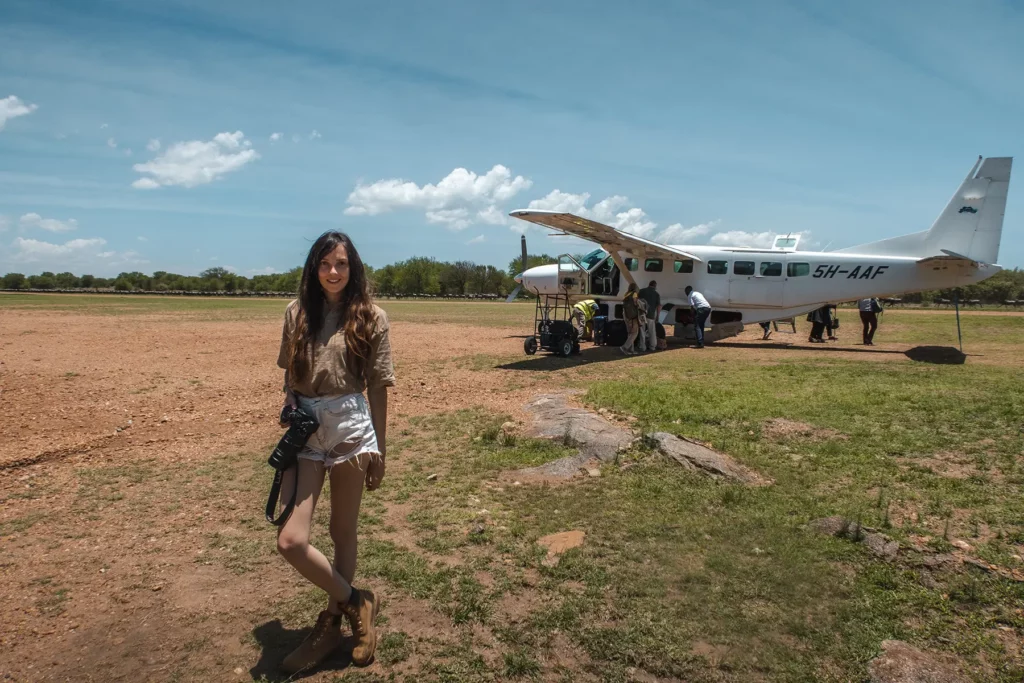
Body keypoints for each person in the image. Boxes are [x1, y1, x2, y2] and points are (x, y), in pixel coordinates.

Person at [275, 231, 395, 674]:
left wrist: (380, 448)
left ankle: (331, 624)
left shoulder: (372, 317)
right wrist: (289, 399)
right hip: (307, 429)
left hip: (350, 427)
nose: (333, 272)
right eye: (325, 264)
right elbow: (290, 373)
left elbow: (379, 385)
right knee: (291, 540)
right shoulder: (295, 313)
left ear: (353, 267)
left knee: (343, 532)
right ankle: (356, 601)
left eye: (341, 264)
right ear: (313, 268)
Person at [638, 280, 661, 352]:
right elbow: (659, 306)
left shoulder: (641, 291)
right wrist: (657, 316)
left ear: (649, 284)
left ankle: (642, 347)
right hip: (651, 315)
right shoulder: (656, 294)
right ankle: (653, 346)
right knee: (652, 331)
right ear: (655, 286)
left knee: (642, 331)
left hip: (642, 314)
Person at [620, 282, 642, 355]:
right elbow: (636, 303)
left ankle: (631, 350)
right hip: (633, 316)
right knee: (635, 332)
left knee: (630, 333)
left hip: (626, 315)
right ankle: (625, 347)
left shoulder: (626, 294)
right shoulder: (634, 294)